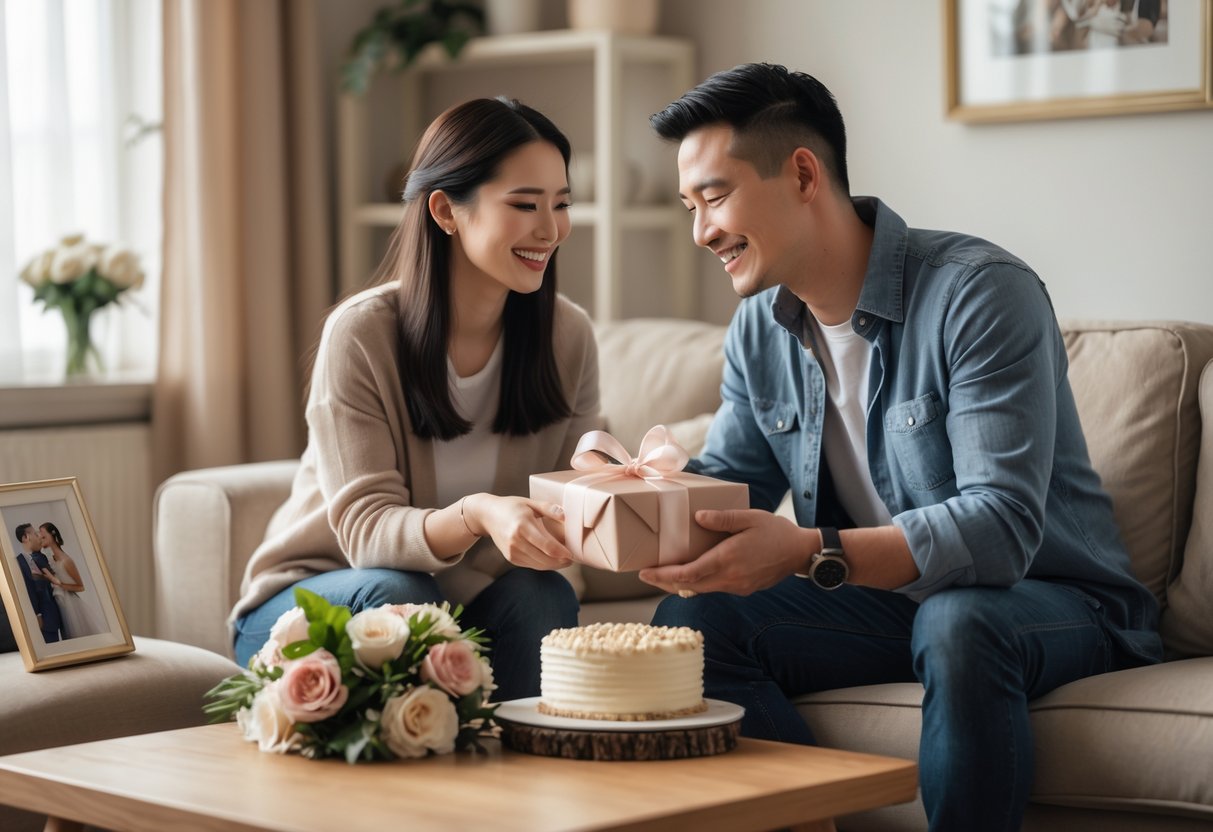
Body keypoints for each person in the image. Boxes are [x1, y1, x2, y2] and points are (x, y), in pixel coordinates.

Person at [639, 63, 1161, 831]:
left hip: (1052, 600)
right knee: (693, 624)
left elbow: (999, 527)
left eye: (713, 197)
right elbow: (728, 488)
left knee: (957, 620)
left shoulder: (978, 293)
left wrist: (802, 550)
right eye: (689, 206)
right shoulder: (759, 327)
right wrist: (622, 494)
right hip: (885, 605)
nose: (700, 231)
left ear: (804, 174)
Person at [231, 97, 601, 701]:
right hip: (314, 598)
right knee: (404, 595)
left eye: (561, 204)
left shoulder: (568, 336)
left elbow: (575, 490)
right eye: (525, 204)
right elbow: (367, 535)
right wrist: (480, 512)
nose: (550, 229)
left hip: (463, 602)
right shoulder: (362, 334)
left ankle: (530, 779)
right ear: (445, 210)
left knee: (545, 594)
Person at [38, 522, 107, 638]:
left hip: (71, 606)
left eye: (43, 536)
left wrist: (60, 585)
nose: (40, 538)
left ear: (53, 535)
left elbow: (81, 586)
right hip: (60, 602)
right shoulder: (50, 559)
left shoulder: (66, 561)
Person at [14, 523, 63, 643]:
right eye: (35, 534)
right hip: (43, 619)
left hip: (56, 614)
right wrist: (38, 615)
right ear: (25, 538)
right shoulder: (18, 563)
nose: (39, 537)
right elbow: (28, 591)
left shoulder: (43, 557)